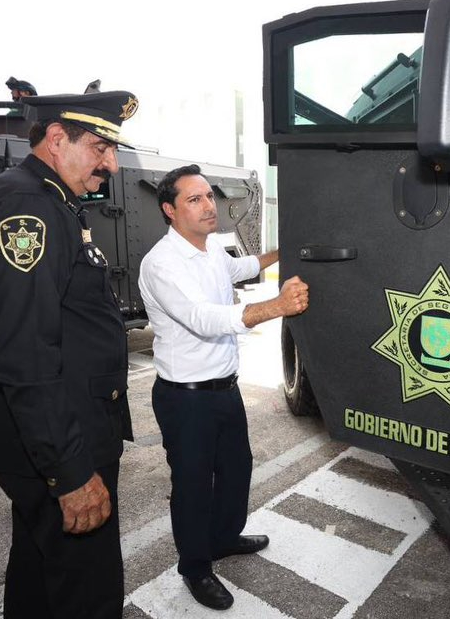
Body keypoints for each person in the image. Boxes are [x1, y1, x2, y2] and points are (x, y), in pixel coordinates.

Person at [0, 91, 137, 619]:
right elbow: (24, 352)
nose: (112, 164)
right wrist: (70, 472)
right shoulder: (28, 205)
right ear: (57, 139)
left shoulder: (48, 199)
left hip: (49, 434)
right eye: (101, 147)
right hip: (60, 439)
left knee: (38, 570)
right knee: (85, 590)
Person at [138, 165, 310, 611]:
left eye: (208, 197)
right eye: (194, 199)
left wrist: (280, 253)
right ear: (169, 210)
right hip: (185, 397)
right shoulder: (161, 263)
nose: (208, 205)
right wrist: (275, 306)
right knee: (193, 484)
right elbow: (202, 319)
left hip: (224, 388)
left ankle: (223, 538)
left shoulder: (211, 248)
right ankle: (195, 567)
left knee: (236, 468)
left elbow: (240, 268)